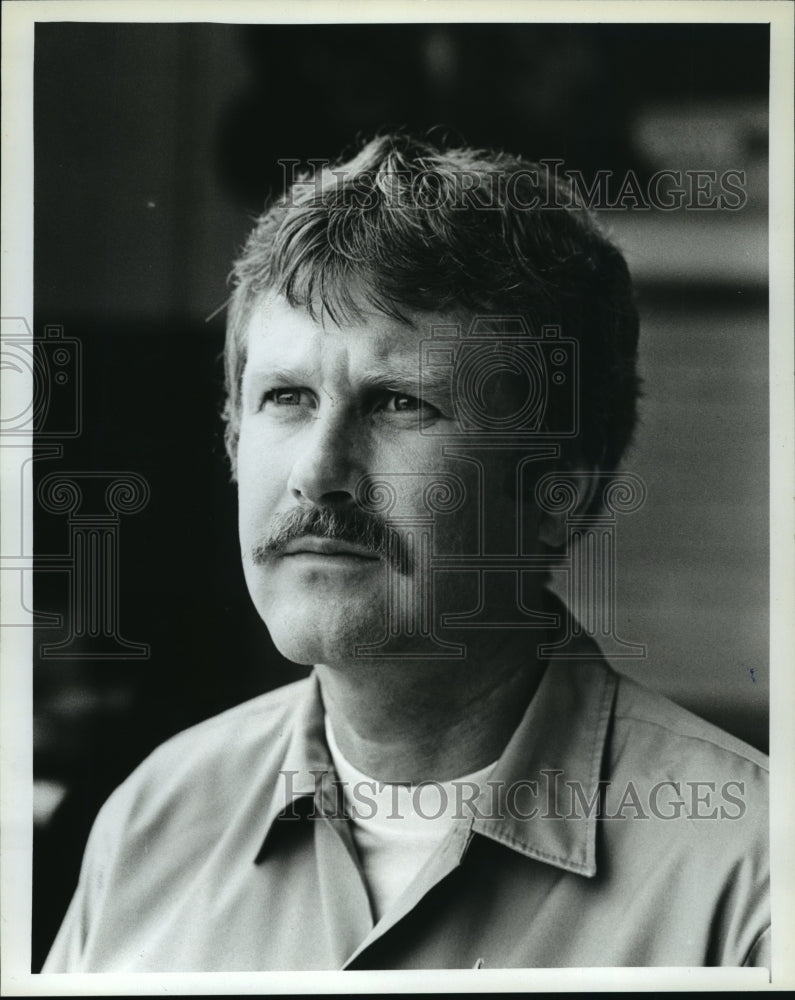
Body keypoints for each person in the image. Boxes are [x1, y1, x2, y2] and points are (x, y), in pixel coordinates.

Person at [43, 133, 769, 972]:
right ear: (234, 441)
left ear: (558, 489)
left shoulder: (750, 876)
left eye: (397, 403)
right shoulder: (154, 817)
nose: (318, 476)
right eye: (286, 398)